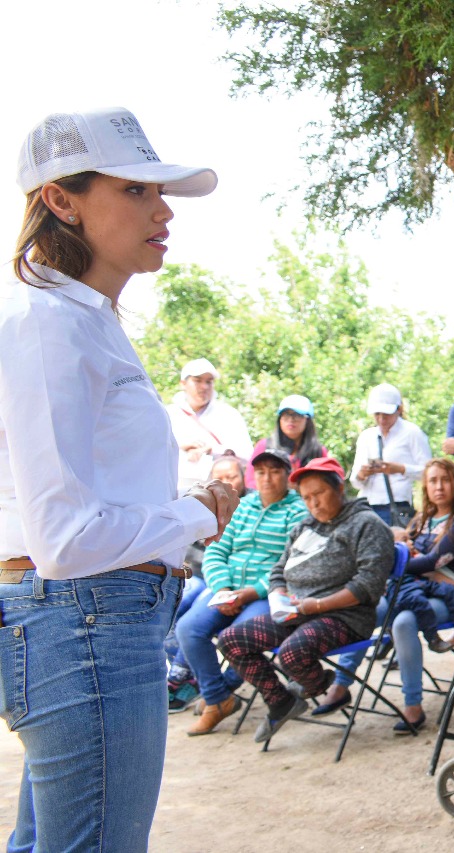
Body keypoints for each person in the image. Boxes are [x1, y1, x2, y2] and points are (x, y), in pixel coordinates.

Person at [0, 107, 236, 852]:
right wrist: (197, 512)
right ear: (60, 200)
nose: (163, 210)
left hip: (87, 619)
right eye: (135, 190)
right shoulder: (49, 325)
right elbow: (67, 539)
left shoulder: (82, 320)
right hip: (86, 617)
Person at [219, 456, 394, 743]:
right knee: (231, 641)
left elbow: (368, 585)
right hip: (296, 612)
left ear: (339, 489)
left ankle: (317, 685)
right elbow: (278, 571)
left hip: (344, 616)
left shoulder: (367, 524)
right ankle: (282, 700)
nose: (313, 503)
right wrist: (277, 598)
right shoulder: (304, 526)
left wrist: (318, 605)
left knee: (291, 654)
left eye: (319, 494)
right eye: (306, 497)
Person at [319, 458, 454, 729]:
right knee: (363, 609)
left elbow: (430, 562)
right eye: (433, 480)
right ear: (425, 485)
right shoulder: (421, 519)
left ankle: (412, 705)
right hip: (413, 591)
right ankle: (341, 686)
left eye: (445, 480)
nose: (439, 486)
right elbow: (407, 557)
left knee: (403, 622)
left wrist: (385, 564)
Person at [179, 448, 309, 735]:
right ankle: (219, 699)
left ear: (288, 476)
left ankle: (218, 695)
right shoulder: (243, 506)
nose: (267, 478)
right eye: (261, 471)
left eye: (275, 471)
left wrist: (250, 593)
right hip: (226, 589)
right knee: (188, 628)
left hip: (265, 593)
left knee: (238, 637)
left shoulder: (298, 510)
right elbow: (216, 552)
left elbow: (290, 563)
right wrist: (223, 588)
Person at [166, 453, 253, 709]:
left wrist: (225, 589)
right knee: (168, 608)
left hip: (221, 582)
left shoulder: (247, 509)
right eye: (220, 477)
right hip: (200, 575)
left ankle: (194, 681)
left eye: (232, 477)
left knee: (196, 615)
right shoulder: (200, 503)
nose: (226, 483)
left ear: (243, 479)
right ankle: (188, 676)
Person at [351, 383, 433, 526]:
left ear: (399, 409)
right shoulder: (367, 436)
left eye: (386, 414)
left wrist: (400, 469)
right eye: (377, 414)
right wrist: (363, 474)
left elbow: (429, 471)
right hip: (367, 506)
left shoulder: (412, 433)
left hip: (397, 505)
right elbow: (355, 481)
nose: (382, 419)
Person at [167, 357, 253, 492]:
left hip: (217, 495)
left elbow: (247, 456)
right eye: (198, 380)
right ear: (183, 383)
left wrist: (212, 450)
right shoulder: (168, 414)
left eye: (209, 382)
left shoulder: (229, 415)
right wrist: (180, 447)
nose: (204, 387)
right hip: (174, 492)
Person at [245, 394, 329, 490]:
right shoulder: (264, 446)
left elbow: (326, 484)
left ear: (308, 420)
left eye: (297, 415)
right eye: (286, 415)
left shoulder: (318, 451)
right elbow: (250, 481)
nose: (290, 420)